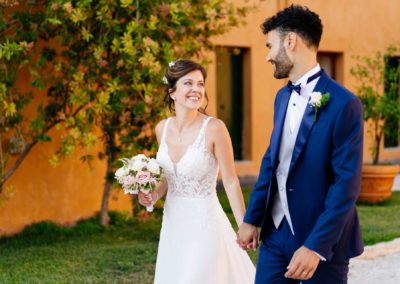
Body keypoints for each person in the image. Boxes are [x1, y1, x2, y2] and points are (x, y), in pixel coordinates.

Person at [237, 5, 364, 284]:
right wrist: (251, 219)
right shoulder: (281, 98)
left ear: (291, 41)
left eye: (271, 45)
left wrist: (316, 246)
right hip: (275, 235)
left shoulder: (345, 104)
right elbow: (272, 161)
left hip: (321, 241)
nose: (269, 56)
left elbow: (346, 185)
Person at [138, 59, 255, 284]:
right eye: (188, 83)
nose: (196, 90)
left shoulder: (214, 128)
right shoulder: (162, 128)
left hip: (205, 225)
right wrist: (151, 196)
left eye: (200, 84)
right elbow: (169, 178)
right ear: (172, 92)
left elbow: (230, 182)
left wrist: (244, 225)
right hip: (173, 225)